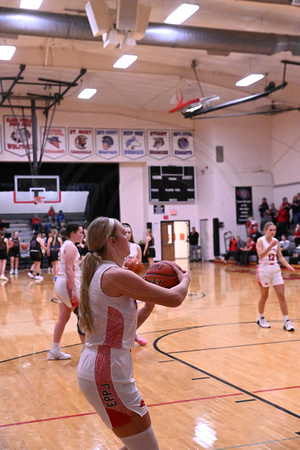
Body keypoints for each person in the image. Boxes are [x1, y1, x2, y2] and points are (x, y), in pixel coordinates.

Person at [77, 217, 190, 449]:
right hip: (106, 371)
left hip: (104, 366)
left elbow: (119, 332)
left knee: (135, 445)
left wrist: (148, 306)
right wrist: (185, 279)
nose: (128, 235)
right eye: (123, 232)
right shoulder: (115, 275)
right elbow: (176, 298)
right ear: (111, 241)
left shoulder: (101, 271)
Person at [48, 223, 84, 360]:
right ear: (73, 233)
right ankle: (87, 351)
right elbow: (69, 270)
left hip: (62, 285)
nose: (82, 235)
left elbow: (73, 266)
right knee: (84, 316)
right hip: (68, 285)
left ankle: (54, 350)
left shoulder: (68, 246)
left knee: (63, 318)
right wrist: (74, 290)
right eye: (80, 232)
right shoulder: (70, 247)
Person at [256, 222, 295, 331]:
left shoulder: (276, 241)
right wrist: (270, 247)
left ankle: (287, 321)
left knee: (281, 295)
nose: (273, 232)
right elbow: (260, 255)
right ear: (265, 230)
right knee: (264, 296)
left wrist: (288, 266)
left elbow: (280, 257)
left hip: (275, 269)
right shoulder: (260, 240)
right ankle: (261, 317)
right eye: (271, 230)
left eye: (274, 230)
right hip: (264, 269)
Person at [122, 222, 147, 347]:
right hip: (120, 281)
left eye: (129, 232)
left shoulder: (136, 247)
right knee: (122, 310)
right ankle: (125, 335)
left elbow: (140, 267)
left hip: (132, 282)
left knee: (133, 310)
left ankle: (134, 334)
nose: (127, 234)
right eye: (124, 232)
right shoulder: (116, 247)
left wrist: (139, 283)